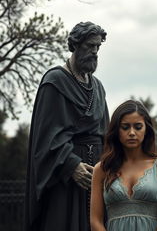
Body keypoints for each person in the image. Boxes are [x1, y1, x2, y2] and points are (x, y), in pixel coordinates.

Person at [24, 21, 109, 231]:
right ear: (75, 45)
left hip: (96, 176)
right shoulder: (54, 82)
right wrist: (71, 165)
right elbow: (45, 138)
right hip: (65, 179)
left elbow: (107, 134)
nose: (95, 52)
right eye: (90, 46)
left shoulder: (98, 87)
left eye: (98, 47)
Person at [90, 100, 157, 231]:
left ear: (146, 129)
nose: (131, 132)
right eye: (125, 127)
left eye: (138, 127)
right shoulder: (102, 169)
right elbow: (95, 221)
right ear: (116, 130)